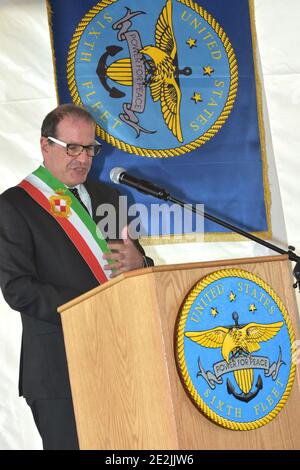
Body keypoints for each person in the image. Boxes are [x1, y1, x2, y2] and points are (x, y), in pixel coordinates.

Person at [0, 104, 153, 450]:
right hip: (59, 370)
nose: (82, 158)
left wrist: (140, 263)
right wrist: (91, 308)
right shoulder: (14, 206)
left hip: (122, 360)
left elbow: (140, 273)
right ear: (45, 146)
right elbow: (18, 290)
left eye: (89, 148)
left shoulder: (110, 198)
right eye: (72, 147)